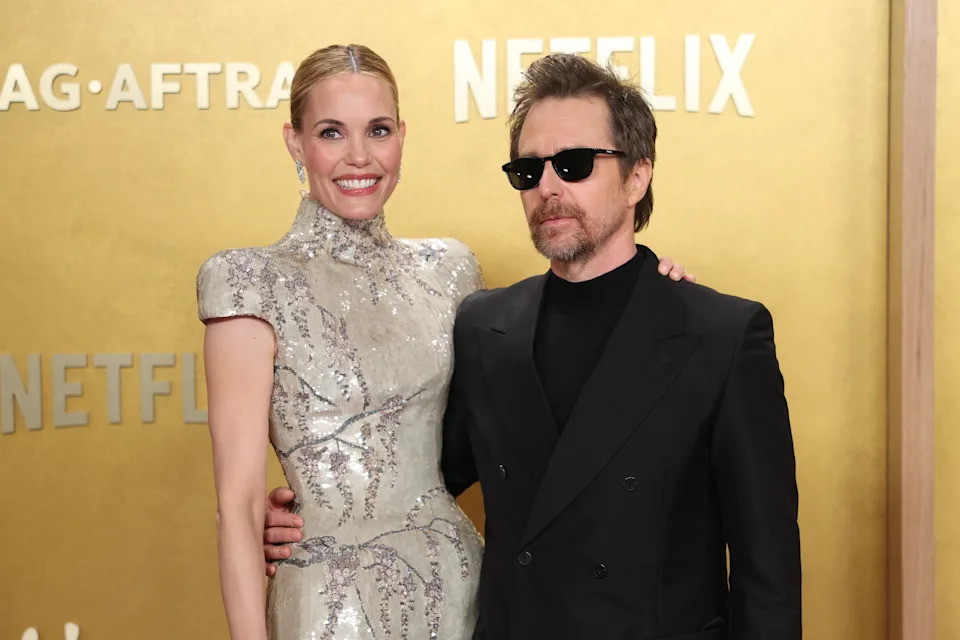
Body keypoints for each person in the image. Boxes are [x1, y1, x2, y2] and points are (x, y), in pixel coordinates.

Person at [265, 53, 801, 640]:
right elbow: (418, 474)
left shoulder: (721, 334)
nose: (547, 187)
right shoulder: (484, 326)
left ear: (637, 177)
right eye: (528, 170)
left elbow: (766, 570)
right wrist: (307, 514)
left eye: (573, 165)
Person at [198, 45, 692, 640]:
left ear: (402, 137)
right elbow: (242, 503)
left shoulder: (452, 270)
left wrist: (646, 294)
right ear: (295, 142)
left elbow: (530, 404)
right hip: (331, 605)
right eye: (332, 133)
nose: (359, 156)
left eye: (378, 131)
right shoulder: (247, 281)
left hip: (461, 589)